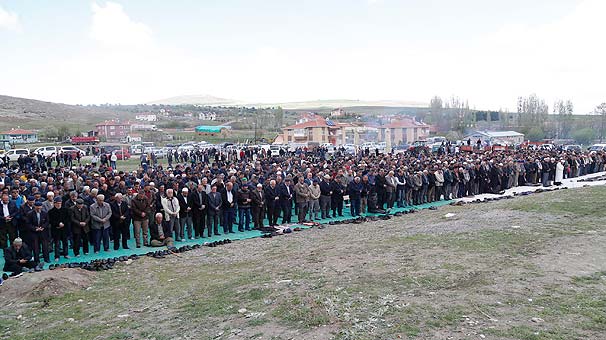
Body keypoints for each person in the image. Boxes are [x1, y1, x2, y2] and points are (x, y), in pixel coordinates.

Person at [48, 197, 70, 261]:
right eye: (57, 203)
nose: (59, 204)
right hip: (56, 229)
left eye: (60, 203)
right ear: (54, 203)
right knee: (57, 244)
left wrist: (63, 224)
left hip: (64, 229)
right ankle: (57, 256)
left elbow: (68, 219)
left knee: (65, 243)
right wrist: (58, 224)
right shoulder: (51, 212)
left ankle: (66, 254)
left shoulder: (65, 210)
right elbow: (50, 221)